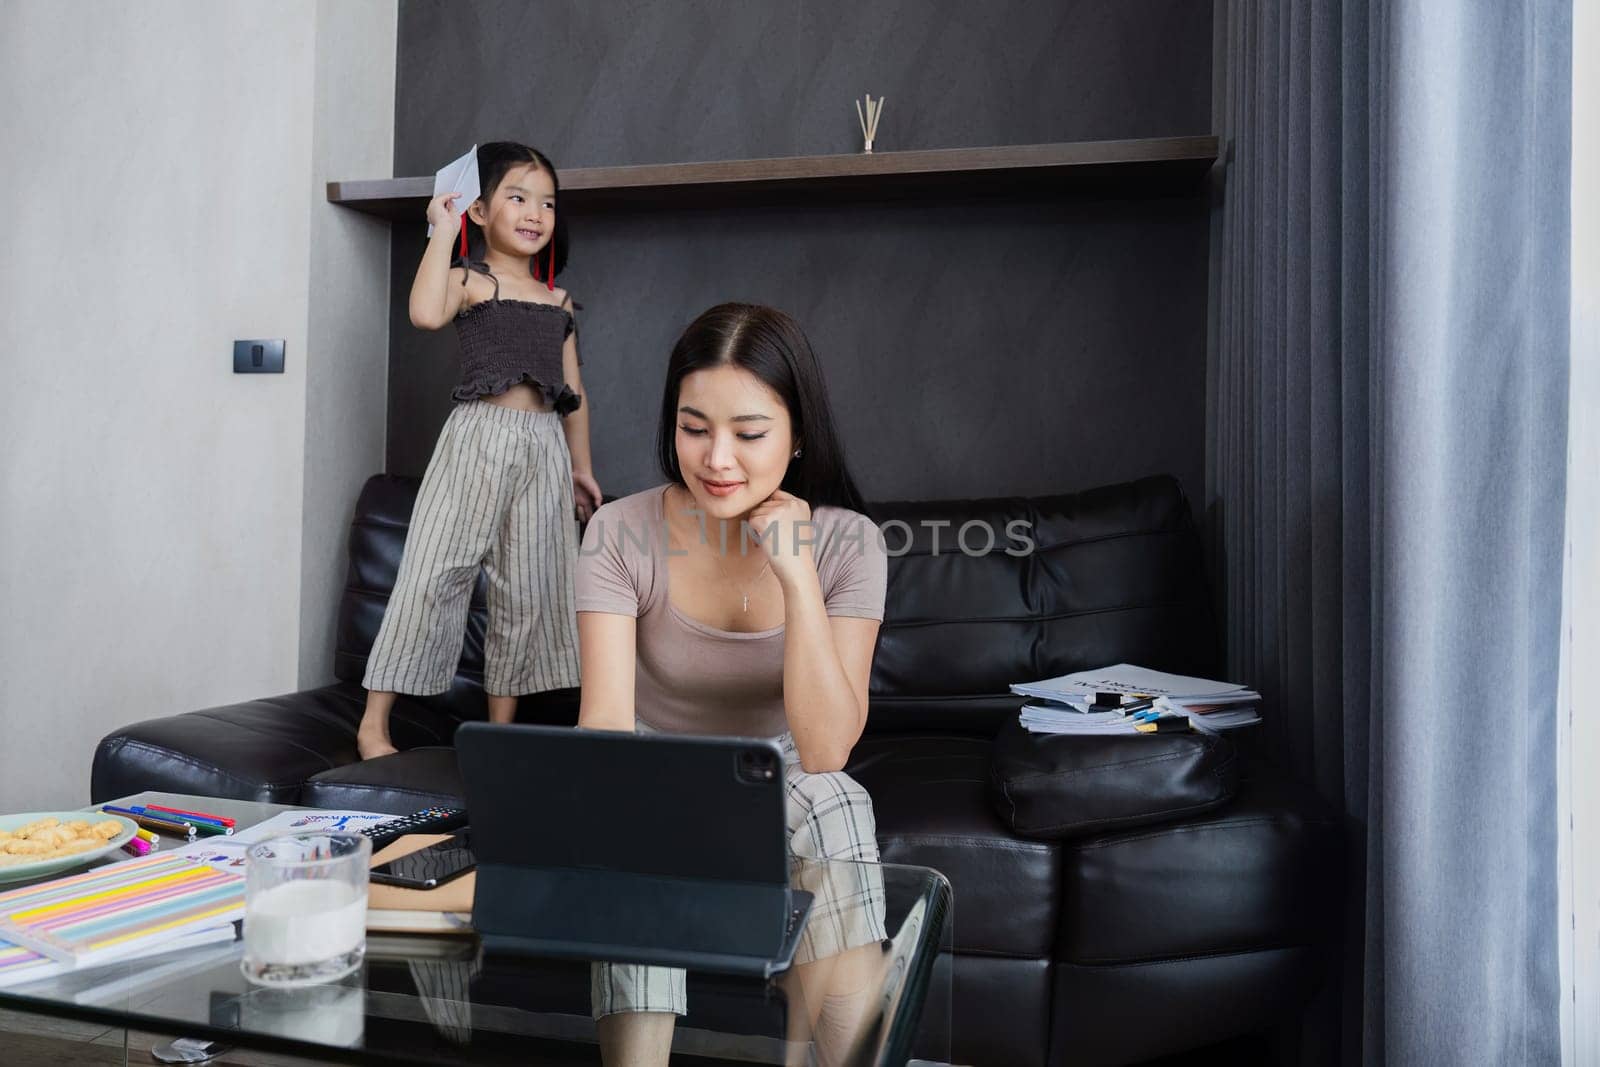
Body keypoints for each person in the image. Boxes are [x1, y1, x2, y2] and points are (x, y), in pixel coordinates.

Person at [575, 303, 888, 1065]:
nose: (717, 458)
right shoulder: (619, 531)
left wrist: (797, 573)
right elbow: (606, 726)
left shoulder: (851, 544)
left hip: (778, 765)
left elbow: (826, 746)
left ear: (798, 434)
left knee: (838, 798)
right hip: (650, 762)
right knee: (627, 819)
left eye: (748, 434)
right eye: (693, 427)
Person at [358, 141, 602, 760]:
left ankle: (499, 727)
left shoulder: (558, 301)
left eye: (546, 202)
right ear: (478, 210)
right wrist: (441, 229)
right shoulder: (470, 281)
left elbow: (573, 394)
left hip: (544, 447)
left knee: (528, 588)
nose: (535, 213)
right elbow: (423, 312)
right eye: (517, 197)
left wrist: (581, 468)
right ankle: (373, 724)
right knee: (434, 571)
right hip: (477, 439)